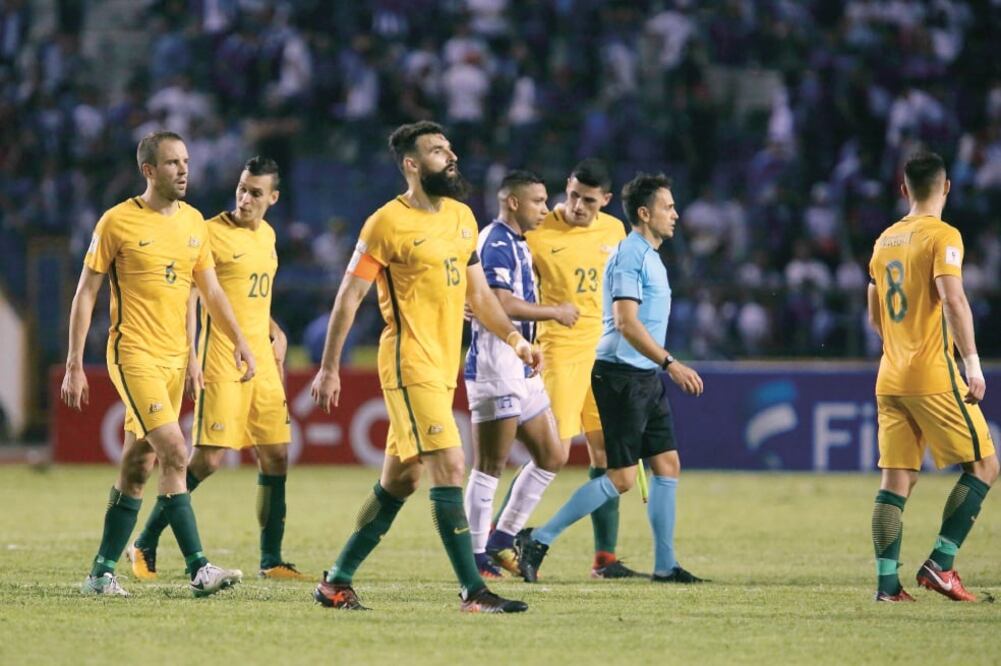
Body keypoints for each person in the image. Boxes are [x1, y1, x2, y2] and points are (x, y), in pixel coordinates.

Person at [309, 121, 538, 613]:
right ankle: (474, 591)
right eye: (437, 151)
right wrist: (330, 367)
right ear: (412, 165)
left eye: (449, 148)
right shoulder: (385, 224)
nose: (450, 156)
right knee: (451, 465)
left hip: (442, 365)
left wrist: (516, 339)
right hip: (407, 361)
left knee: (400, 480)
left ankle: (336, 582)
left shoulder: (461, 217)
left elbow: (479, 294)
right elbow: (349, 298)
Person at [61, 130, 253, 597]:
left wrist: (238, 342)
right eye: (172, 163)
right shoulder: (117, 223)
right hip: (134, 355)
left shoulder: (193, 223)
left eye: (185, 161)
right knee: (177, 451)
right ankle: (199, 568)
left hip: (172, 360)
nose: (183, 170)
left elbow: (209, 292)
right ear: (149, 170)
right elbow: (86, 292)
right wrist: (73, 362)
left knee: (138, 465)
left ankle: (100, 574)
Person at [517, 173, 706, 584]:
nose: (675, 214)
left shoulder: (650, 255)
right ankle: (538, 537)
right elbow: (625, 322)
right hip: (621, 375)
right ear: (645, 213)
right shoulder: (629, 255)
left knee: (667, 464)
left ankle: (665, 565)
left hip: (644, 375)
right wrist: (671, 363)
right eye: (667, 207)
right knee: (619, 477)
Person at [128, 156, 306, 582]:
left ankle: (271, 559)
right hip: (221, 358)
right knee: (208, 459)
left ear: (273, 199)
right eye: (242, 188)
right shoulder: (208, 233)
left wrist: (274, 330)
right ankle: (145, 541)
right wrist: (190, 356)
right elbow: (189, 298)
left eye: (255, 193)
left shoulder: (269, 236)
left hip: (262, 360)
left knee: (277, 453)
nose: (245, 198)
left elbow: (252, 299)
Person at [866, 151, 997, 602]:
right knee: (984, 465)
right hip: (932, 374)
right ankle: (941, 564)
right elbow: (954, 299)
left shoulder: (884, 240)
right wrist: (973, 363)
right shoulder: (944, 236)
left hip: (890, 375)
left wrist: (899, 346)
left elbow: (874, 310)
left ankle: (887, 586)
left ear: (903, 190)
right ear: (946, 188)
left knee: (896, 480)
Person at [519, 158, 638, 578]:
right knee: (548, 453)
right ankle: (502, 544)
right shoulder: (537, 229)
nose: (577, 206)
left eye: (588, 200)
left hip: (604, 353)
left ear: (605, 201)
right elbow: (503, 281)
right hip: (557, 351)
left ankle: (604, 558)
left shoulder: (614, 230)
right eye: (572, 195)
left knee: (607, 451)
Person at [462, 170, 577, 578]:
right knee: (490, 464)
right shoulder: (495, 242)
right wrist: (555, 312)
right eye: (538, 201)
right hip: (496, 363)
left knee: (552, 454)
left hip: (522, 365)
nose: (545, 208)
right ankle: (475, 559)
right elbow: (499, 301)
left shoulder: (517, 243)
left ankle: (500, 540)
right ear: (512, 202)